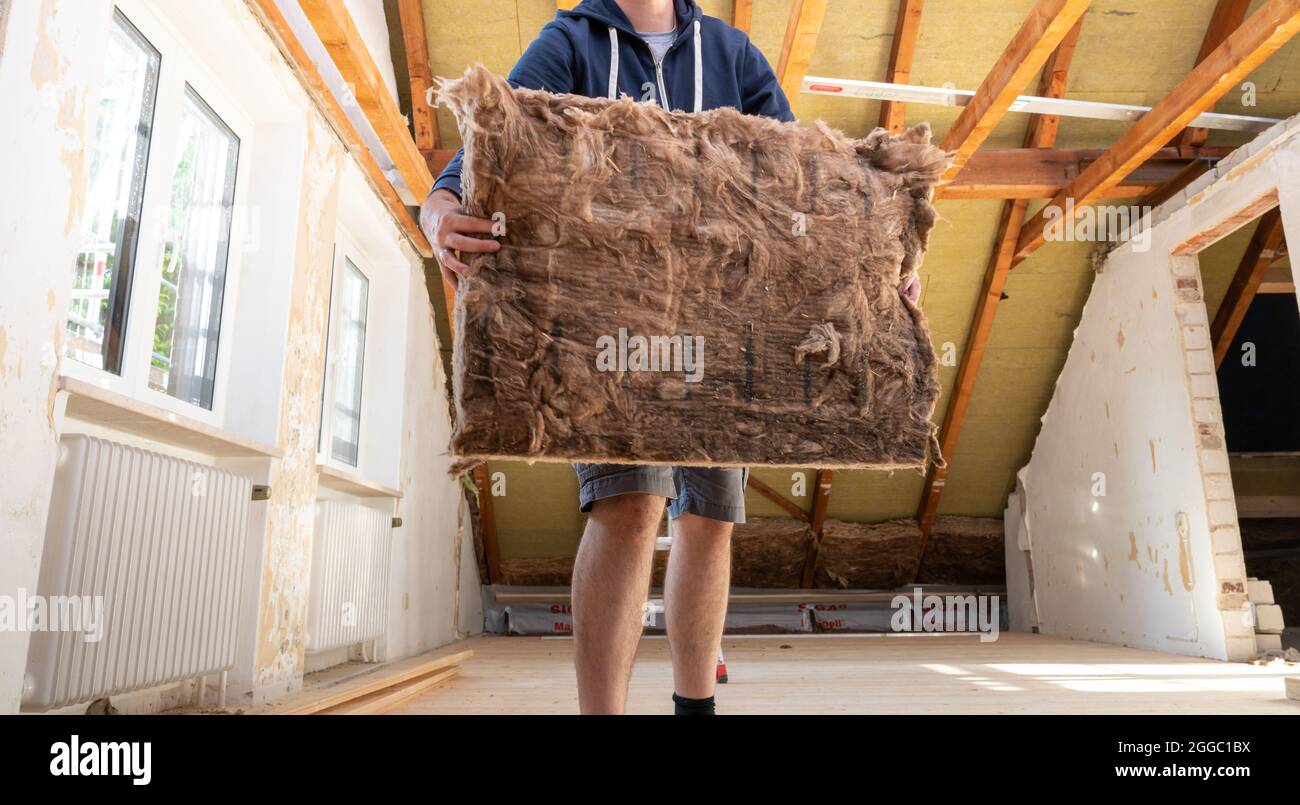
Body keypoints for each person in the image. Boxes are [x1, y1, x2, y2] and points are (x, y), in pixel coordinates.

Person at [419, 0, 921, 715]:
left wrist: (878, 258)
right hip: (609, 326)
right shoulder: (571, 41)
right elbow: (500, 132)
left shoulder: (732, 53)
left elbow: (804, 177)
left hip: (725, 329)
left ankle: (696, 707)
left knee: (710, 516)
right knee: (628, 503)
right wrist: (436, 205)